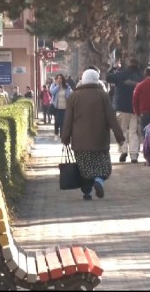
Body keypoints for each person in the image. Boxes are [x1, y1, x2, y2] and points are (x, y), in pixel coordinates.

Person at [61, 69, 125, 201]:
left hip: (80, 141)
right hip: (100, 140)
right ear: (96, 79)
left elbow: (68, 119)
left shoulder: (74, 96)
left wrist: (65, 136)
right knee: (103, 166)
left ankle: (87, 192)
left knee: (84, 168)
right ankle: (99, 181)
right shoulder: (103, 95)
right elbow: (111, 117)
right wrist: (119, 136)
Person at [106, 58, 144, 163]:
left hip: (121, 106)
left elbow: (108, 78)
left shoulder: (121, 74)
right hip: (135, 108)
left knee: (122, 130)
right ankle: (134, 154)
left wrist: (113, 68)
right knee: (133, 131)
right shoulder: (141, 77)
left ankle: (123, 151)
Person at [50, 74, 73, 140]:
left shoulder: (66, 86)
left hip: (65, 107)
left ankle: (62, 135)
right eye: (58, 78)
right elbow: (52, 92)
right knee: (57, 121)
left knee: (63, 121)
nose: (59, 79)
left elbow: (70, 95)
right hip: (56, 107)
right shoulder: (54, 85)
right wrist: (58, 86)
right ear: (56, 79)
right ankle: (56, 134)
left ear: (63, 79)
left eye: (61, 78)